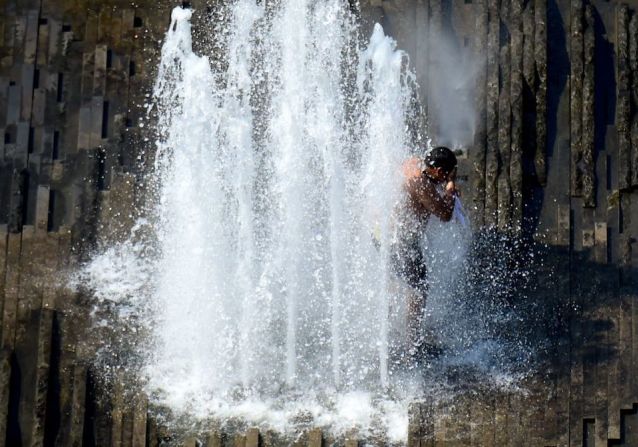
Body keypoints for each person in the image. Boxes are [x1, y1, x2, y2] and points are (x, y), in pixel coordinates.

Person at [390, 146, 458, 360]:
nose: (447, 177)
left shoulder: (418, 168)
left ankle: (393, 335)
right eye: (446, 173)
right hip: (401, 241)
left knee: (398, 284)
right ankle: (411, 348)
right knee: (419, 290)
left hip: (389, 235)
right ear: (437, 170)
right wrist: (449, 191)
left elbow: (406, 162)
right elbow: (445, 214)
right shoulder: (421, 184)